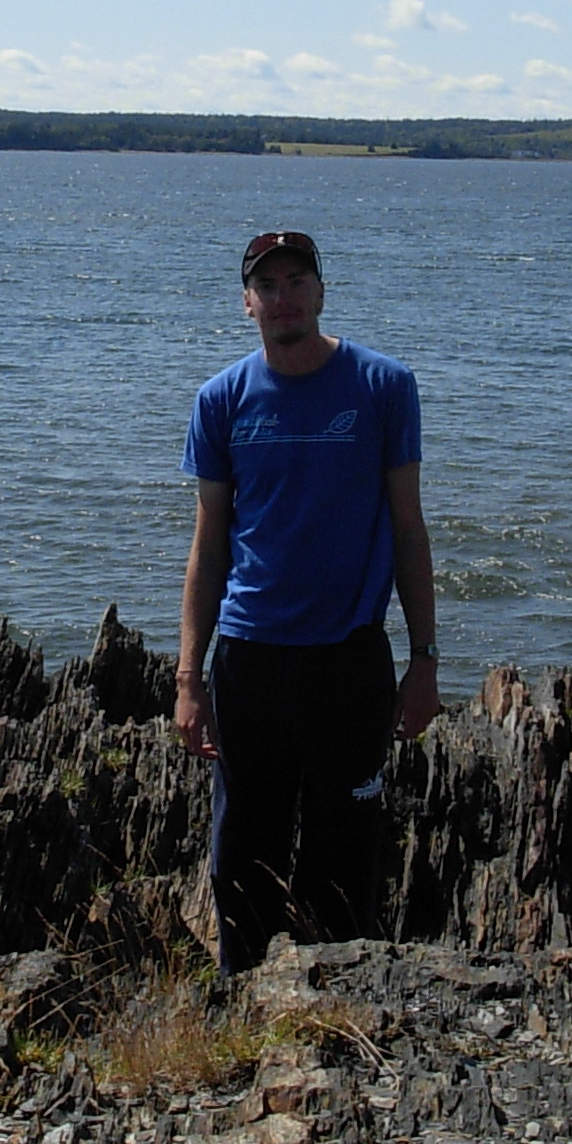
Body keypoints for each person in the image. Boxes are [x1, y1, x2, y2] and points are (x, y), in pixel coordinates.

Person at [175, 229, 439, 974]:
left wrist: (423, 661)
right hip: (250, 660)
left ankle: (339, 1006)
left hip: (348, 661)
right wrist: (189, 678)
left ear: (321, 292)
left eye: (297, 282)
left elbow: (409, 529)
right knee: (241, 856)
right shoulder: (221, 399)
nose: (283, 298)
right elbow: (208, 547)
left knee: (345, 856)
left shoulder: (384, 386)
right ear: (247, 302)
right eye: (268, 286)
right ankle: (239, 1006)